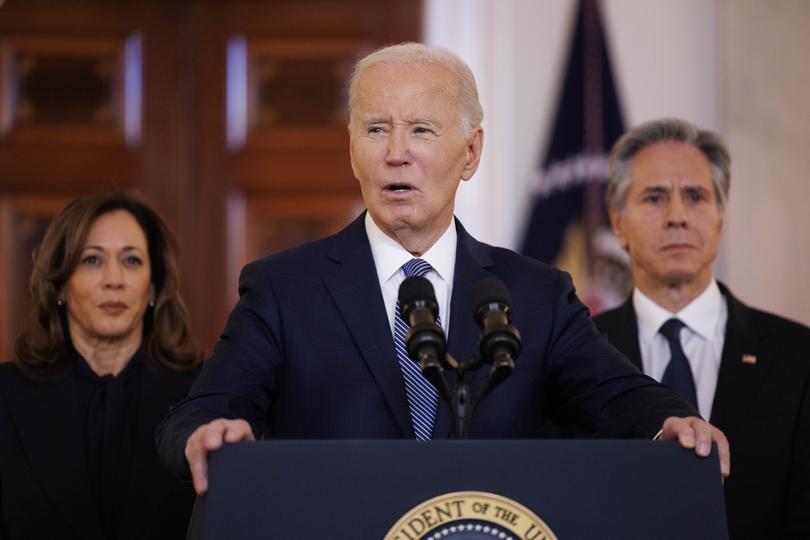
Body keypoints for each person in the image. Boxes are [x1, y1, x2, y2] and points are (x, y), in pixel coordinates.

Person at [156, 43, 729, 497]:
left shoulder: (534, 294)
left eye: (422, 130)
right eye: (376, 129)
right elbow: (202, 413)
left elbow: (623, 398)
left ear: (471, 153)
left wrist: (672, 422)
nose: (396, 152)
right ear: (351, 149)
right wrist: (208, 435)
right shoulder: (285, 289)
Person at [594, 117, 810, 539]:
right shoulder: (578, 354)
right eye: (655, 198)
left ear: (719, 218)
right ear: (618, 224)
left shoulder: (798, 357)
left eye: (695, 197)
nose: (677, 217)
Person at [0, 193, 203, 540]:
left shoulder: (200, 395)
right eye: (92, 260)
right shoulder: (5, 394)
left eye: (132, 261)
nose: (114, 279)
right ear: (60, 284)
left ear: (153, 286)